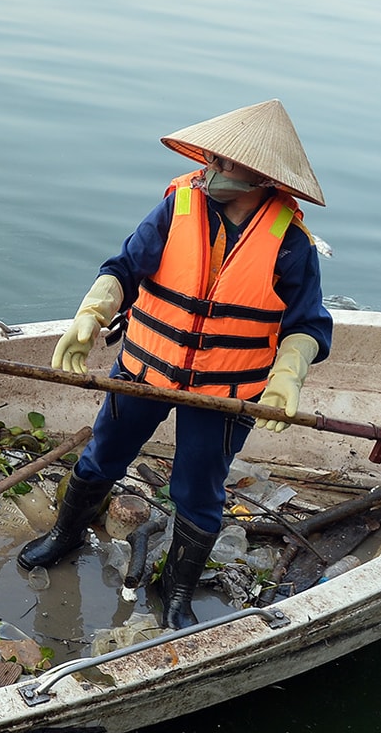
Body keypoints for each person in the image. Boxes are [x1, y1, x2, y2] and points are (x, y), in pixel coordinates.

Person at [18, 99, 333, 631]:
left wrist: (287, 374)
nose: (213, 170)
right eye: (213, 158)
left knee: (198, 488)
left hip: (224, 393)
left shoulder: (291, 244)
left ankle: (176, 587)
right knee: (103, 457)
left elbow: (308, 324)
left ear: (261, 178)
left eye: (228, 164)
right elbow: (124, 266)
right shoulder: (177, 208)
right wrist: (91, 314)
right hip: (144, 369)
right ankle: (65, 534)